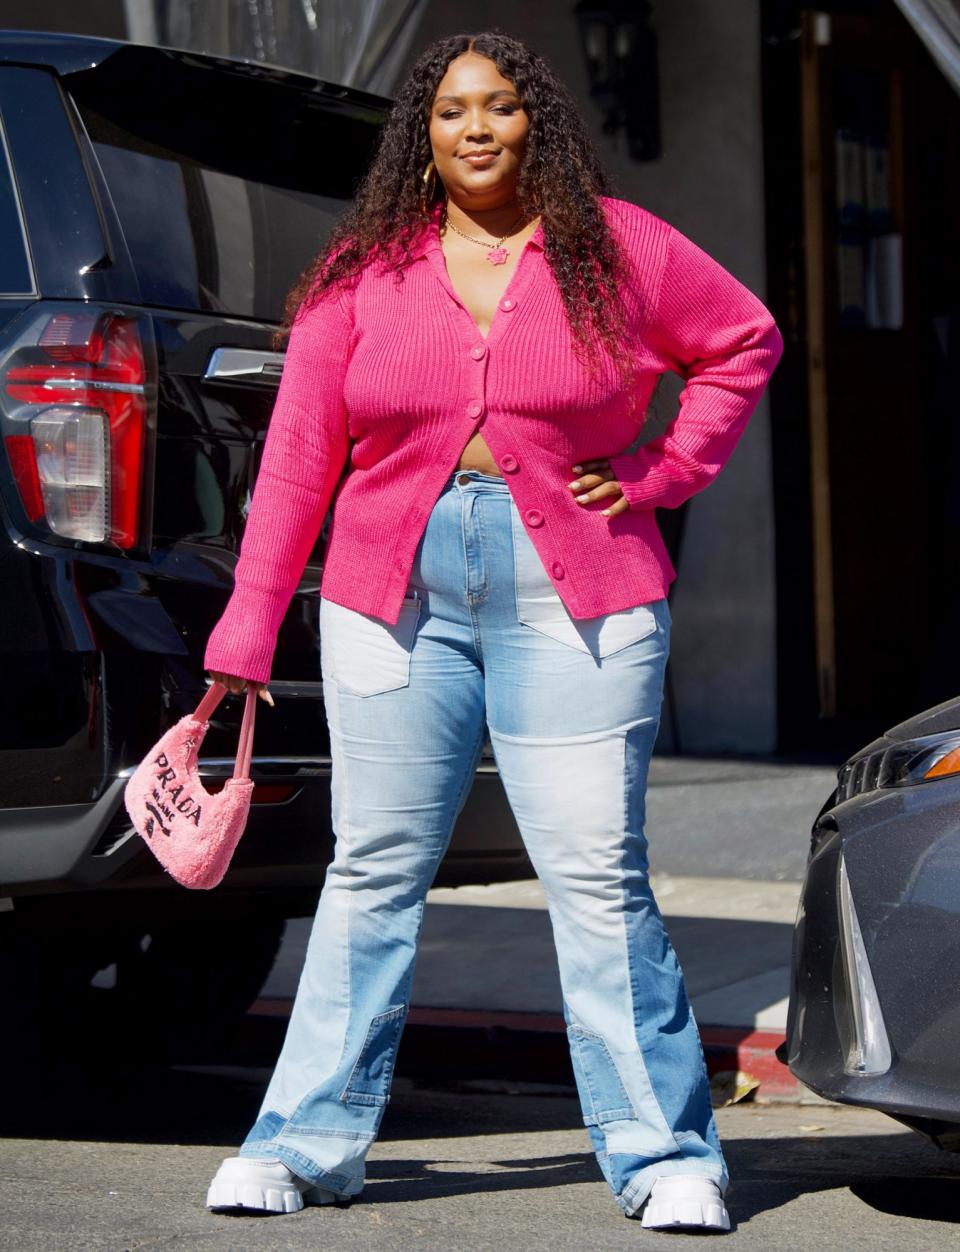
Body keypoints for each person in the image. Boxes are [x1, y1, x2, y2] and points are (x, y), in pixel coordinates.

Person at [202, 29, 782, 1232]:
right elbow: (301, 453)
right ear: (424, 134)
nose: (477, 128)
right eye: (453, 109)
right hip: (392, 596)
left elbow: (742, 342)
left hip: (575, 590)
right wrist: (249, 624)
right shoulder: (366, 272)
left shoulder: (617, 249)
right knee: (371, 870)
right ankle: (306, 1141)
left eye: (502, 106)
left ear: (537, 125)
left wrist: (669, 468)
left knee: (597, 877)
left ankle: (666, 1152)